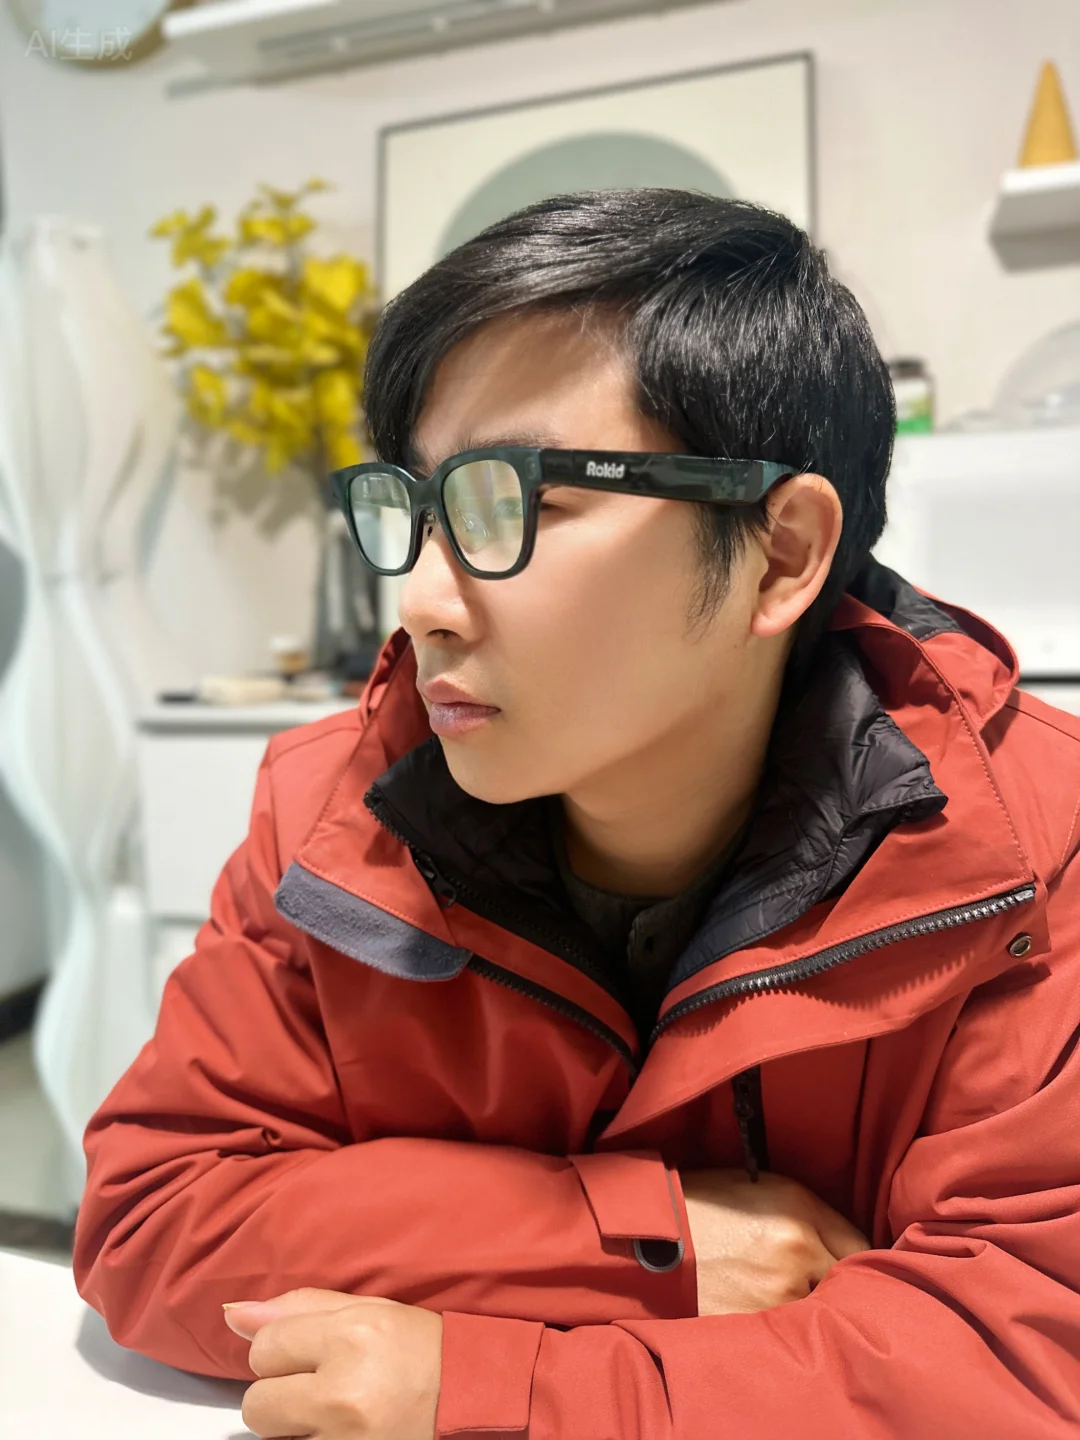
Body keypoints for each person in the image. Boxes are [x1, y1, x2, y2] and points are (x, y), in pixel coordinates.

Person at [74, 191, 1080, 1439]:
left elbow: (1022, 1343)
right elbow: (156, 1217)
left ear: (779, 554)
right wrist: (636, 1239)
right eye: (419, 509)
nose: (421, 601)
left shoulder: (1026, 842)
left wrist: (491, 1386)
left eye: (515, 504)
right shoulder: (335, 811)